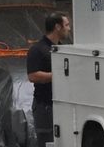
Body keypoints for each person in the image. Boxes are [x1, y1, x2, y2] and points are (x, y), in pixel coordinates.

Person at [26, 12, 71, 147]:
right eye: (67, 25)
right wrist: (57, 76)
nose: (69, 28)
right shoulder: (38, 50)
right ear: (57, 27)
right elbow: (32, 76)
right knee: (47, 141)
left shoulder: (62, 49)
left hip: (61, 105)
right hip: (44, 106)